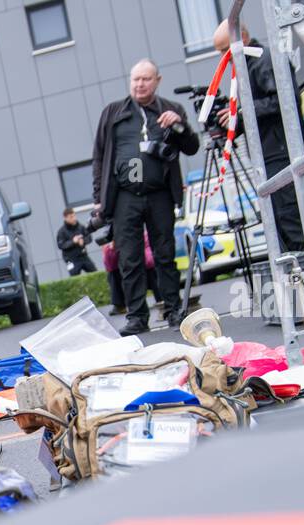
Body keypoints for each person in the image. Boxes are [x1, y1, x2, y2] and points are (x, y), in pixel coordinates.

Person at [92, 58, 200, 335]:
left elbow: (191, 147)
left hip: (160, 193)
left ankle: (175, 310)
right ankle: (137, 316)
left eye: (146, 79)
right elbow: (100, 157)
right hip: (124, 196)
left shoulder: (170, 110)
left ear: (157, 80)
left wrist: (180, 126)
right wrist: (98, 198)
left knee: (165, 254)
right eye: (135, 79)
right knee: (129, 258)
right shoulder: (113, 112)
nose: (140, 84)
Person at [213, 20, 304, 253]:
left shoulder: (264, 61)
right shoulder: (247, 67)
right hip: (270, 152)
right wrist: (234, 122)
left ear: (243, 39)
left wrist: (242, 112)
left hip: (281, 151)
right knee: (279, 221)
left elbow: (286, 99)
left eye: (226, 50)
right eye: (220, 52)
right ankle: (299, 278)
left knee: (289, 219)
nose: (224, 58)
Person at [56, 208, 98, 275]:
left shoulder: (81, 227)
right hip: (70, 260)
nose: (74, 218)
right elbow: (61, 245)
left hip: (83, 256)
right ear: (65, 218)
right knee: (74, 278)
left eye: (74, 216)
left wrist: (83, 241)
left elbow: (89, 237)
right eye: (71, 217)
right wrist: (73, 242)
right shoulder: (61, 232)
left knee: (95, 273)